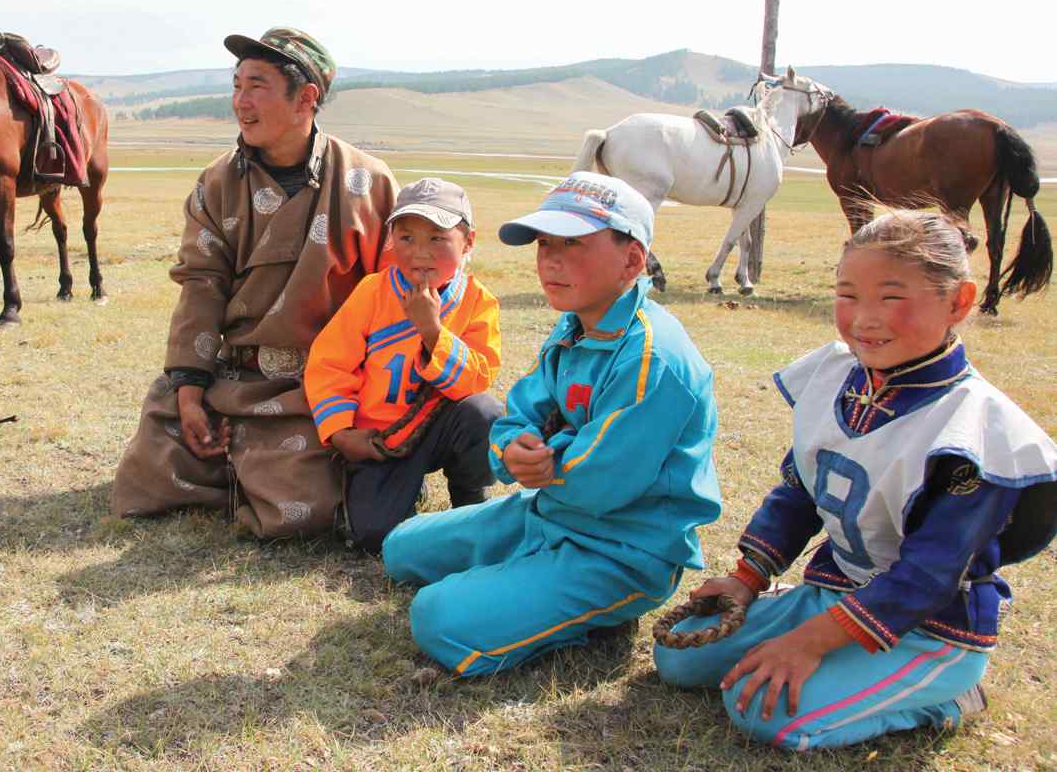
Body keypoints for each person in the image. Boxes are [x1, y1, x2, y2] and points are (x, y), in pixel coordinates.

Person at [654, 210, 1057, 750]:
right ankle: (815, 630)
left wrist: (809, 643)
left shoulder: (975, 429)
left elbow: (930, 575)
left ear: (959, 302)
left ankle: (949, 696)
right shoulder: (837, 378)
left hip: (929, 630)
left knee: (763, 712)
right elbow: (799, 493)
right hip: (836, 593)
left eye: (891, 297)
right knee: (679, 655)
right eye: (847, 295)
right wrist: (746, 580)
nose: (865, 318)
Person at [382, 173, 722, 676]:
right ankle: (528, 581)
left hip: (621, 549)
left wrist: (535, 455)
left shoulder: (653, 357)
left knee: (436, 617)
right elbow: (520, 412)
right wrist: (511, 449)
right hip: (546, 512)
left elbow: (599, 481)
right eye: (545, 245)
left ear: (632, 260)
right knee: (401, 548)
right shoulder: (576, 325)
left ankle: (583, 606)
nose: (551, 261)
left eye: (573, 245)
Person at [111, 28, 398, 538]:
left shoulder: (367, 183)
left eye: (257, 87)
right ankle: (244, 464)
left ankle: (266, 473)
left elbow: (392, 298)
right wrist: (190, 389)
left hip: (321, 387)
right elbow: (200, 285)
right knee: (145, 478)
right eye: (236, 85)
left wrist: (366, 404)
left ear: (306, 98)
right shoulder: (217, 183)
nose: (240, 102)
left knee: (303, 511)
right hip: (234, 379)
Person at [304, 177, 501, 553]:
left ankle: (469, 495)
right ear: (391, 240)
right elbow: (330, 365)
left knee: (484, 412)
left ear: (469, 242)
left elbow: (476, 380)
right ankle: (402, 489)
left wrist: (432, 332)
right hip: (379, 440)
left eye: (437, 239)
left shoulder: (479, 302)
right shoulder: (372, 293)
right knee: (372, 538)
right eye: (406, 238)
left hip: (443, 429)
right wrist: (342, 433)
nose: (420, 253)